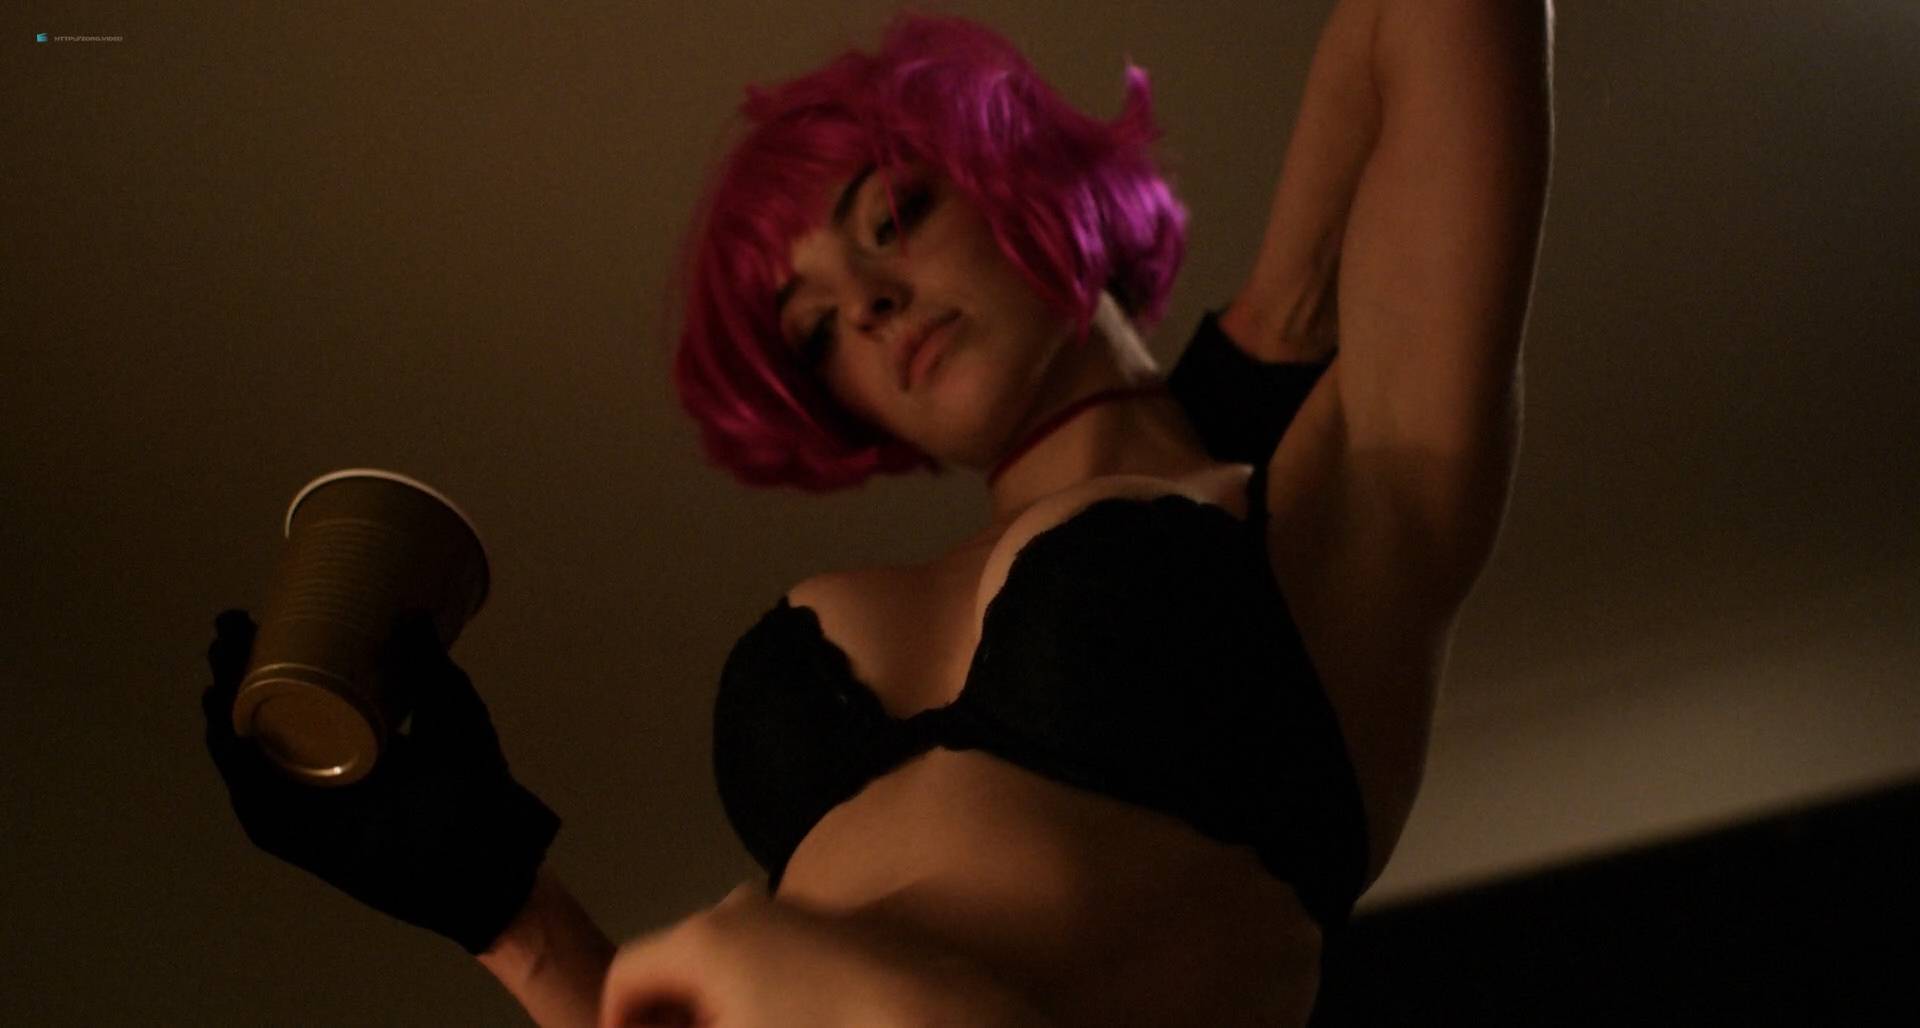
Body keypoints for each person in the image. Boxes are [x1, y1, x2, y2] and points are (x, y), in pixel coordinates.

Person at [203, 2, 1554, 1025]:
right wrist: (505, 911)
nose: (866, 304)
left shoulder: (1330, 506)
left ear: (1029, 176)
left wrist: (1281, 323)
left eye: (893, 217)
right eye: (814, 330)